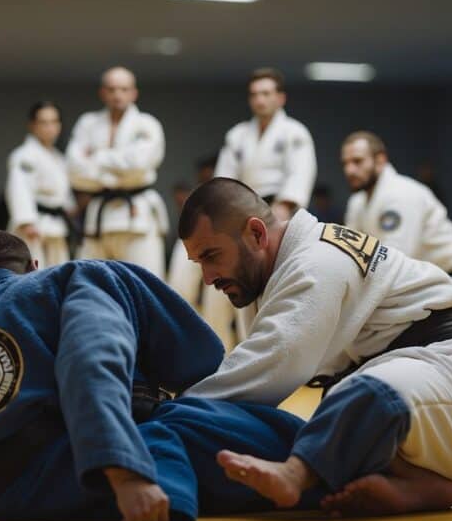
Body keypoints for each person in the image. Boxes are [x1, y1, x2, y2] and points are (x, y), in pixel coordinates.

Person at [0, 230, 311, 521]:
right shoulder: (63, 281)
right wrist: (123, 473)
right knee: (242, 431)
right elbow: (93, 358)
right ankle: (339, 468)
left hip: (6, 500)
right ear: (33, 267)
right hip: (96, 473)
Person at [178, 178, 452, 518]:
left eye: (211, 256)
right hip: (417, 425)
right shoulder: (273, 274)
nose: (207, 277)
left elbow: (273, 365)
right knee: (311, 422)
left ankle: (295, 474)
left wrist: (176, 408)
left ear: (256, 234)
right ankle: (419, 484)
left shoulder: (316, 261)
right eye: (199, 263)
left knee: (360, 395)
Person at [342, 131, 452, 319]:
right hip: (415, 292)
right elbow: (352, 257)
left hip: (449, 287)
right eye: (345, 163)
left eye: (357, 161)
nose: (349, 170)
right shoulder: (357, 203)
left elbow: (396, 259)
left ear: (379, 160)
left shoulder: (402, 193)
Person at [66, 66, 168, 276]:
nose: (117, 95)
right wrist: (120, 168)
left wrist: (97, 157)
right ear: (102, 93)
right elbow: (74, 171)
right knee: (89, 285)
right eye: (112, 89)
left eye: (123, 89)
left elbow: (139, 165)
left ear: (134, 93)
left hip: (138, 216)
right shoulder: (88, 123)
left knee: (144, 284)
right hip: (99, 217)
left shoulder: (147, 124)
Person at [215, 67, 317, 222]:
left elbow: (300, 174)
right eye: (254, 95)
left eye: (266, 94)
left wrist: (284, 206)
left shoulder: (295, 132)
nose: (259, 100)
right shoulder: (237, 135)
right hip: (243, 208)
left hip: (281, 209)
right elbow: (224, 178)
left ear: (281, 98)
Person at [167, 156, 237, 348]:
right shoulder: (192, 216)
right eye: (203, 181)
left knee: (217, 308)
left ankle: (225, 364)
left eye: (211, 180)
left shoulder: (236, 210)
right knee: (178, 291)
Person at [5, 101, 76, 268]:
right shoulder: (24, 155)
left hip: (56, 225)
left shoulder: (58, 157)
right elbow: (18, 188)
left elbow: (63, 193)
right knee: (33, 273)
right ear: (32, 125)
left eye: (54, 122)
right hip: (35, 223)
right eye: (43, 122)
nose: (49, 128)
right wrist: (27, 221)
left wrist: (70, 208)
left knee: (58, 274)